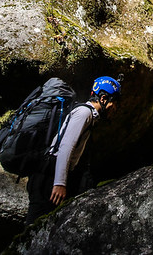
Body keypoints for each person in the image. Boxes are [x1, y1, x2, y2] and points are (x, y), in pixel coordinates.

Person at [25, 75, 121, 224]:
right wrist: (60, 183)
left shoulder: (90, 116)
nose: (115, 108)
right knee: (34, 226)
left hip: (50, 174)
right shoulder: (84, 113)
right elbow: (66, 146)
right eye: (114, 103)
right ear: (103, 99)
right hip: (49, 177)